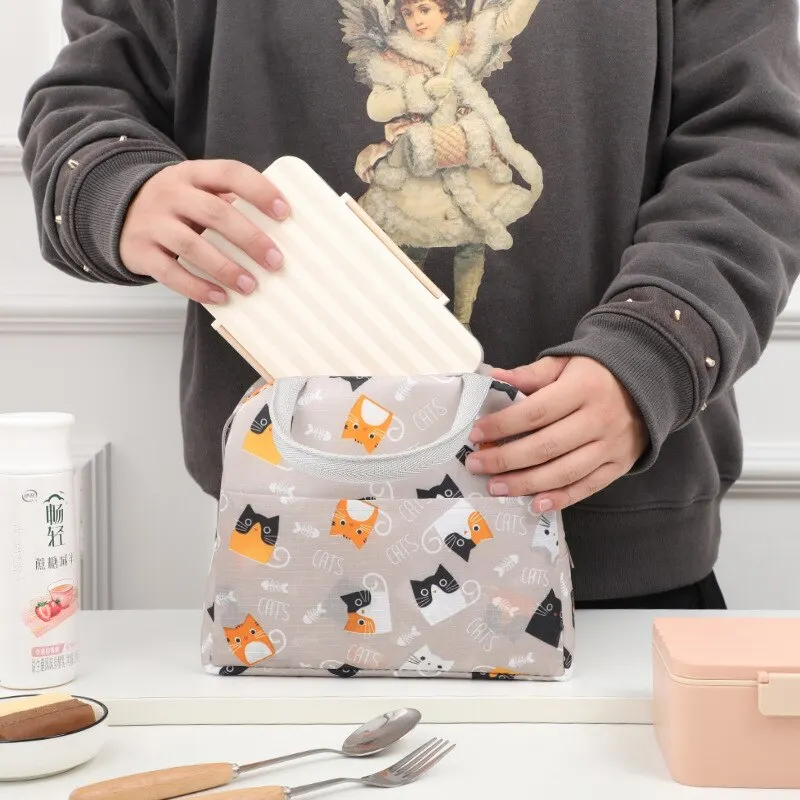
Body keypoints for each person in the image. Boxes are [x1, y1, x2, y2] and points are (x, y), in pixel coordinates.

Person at [18, 0, 800, 610]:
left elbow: (753, 149)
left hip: (616, 548)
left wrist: (652, 354)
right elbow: (90, 98)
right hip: (295, 537)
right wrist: (121, 191)